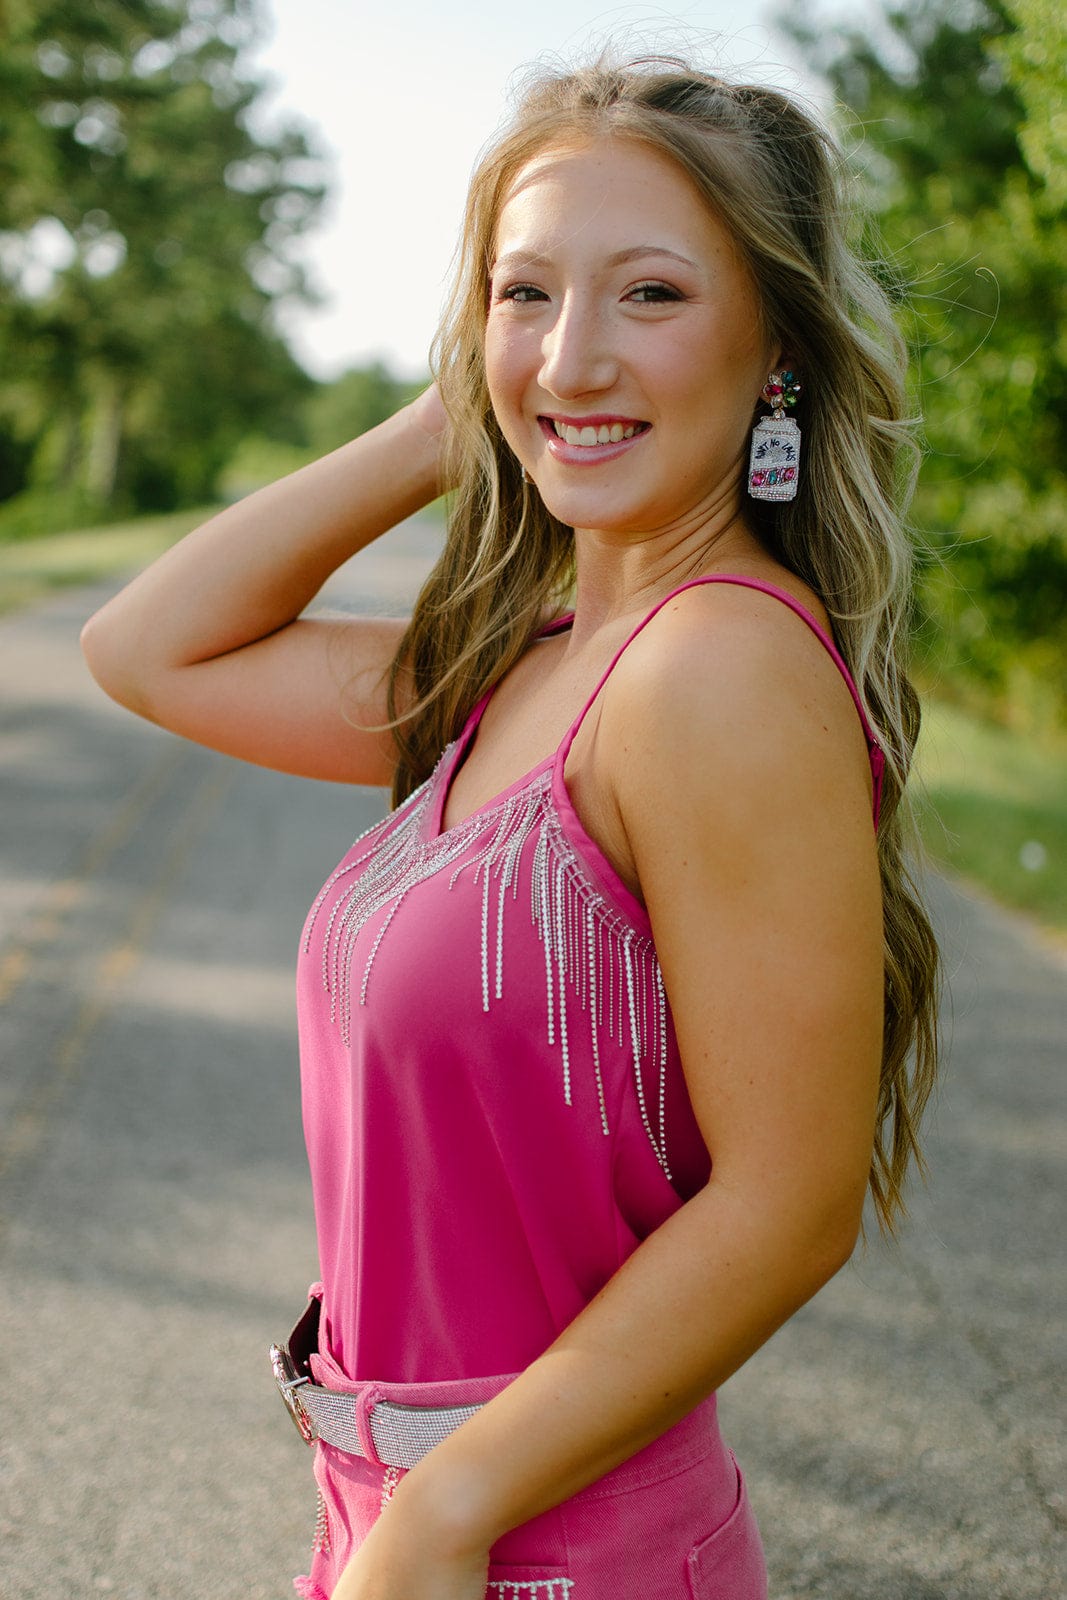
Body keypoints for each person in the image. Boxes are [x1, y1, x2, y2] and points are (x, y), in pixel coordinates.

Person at [81, 55, 941, 1600]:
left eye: (654, 296)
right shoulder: (524, 658)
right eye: (526, 292)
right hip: (410, 1519)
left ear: (777, 351)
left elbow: (789, 1205)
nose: (577, 354)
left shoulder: (719, 669)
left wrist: (447, 1511)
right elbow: (150, 648)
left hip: (541, 1541)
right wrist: (470, 403)